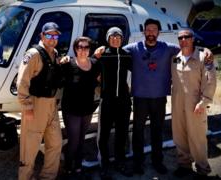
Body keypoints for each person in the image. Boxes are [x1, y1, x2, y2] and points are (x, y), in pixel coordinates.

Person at [95, 18, 213, 175]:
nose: (151, 33)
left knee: (157, 131)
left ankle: (157, 162)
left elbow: (186, 46)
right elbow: (116, 48)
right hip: (140, 98)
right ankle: (138, 163)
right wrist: (101, 49)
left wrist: (205, 49)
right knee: (138, 132)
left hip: (159, 98)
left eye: (154, 30)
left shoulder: (168, 48)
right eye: (148, 30)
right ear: (144, 32)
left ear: (159, 32)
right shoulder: (133, 48)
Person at [16, 22, 62, 180]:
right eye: (49, 35)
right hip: (36, 105)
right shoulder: (33, 54)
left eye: (55, 36)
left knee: (55, 143)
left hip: (51, 104)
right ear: (42, 36)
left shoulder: (54, 53)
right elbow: (22, 82)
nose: (52, 39)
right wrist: (27, 107)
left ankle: (48, 176)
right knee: (30, 147)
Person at [171, 28, 216, 179]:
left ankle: (202, 170)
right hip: (178, 105)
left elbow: (210, 82)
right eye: (180, 38)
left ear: (192, 38)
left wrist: (203, 103)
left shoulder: (204, 57)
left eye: (187, 37)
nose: (183, 40)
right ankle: (184, 165)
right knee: (180, 136)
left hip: (196, 105)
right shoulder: (175, 58)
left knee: (197, 138)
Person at [60, 36, 100, 178]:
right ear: (75, 49)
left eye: (86, 47)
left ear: (90, 49)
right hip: (71, 110)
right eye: (80, 47)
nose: (83, 50)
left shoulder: (95, 64)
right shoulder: (68, 64)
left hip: (87, 108)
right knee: (74, 141)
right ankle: (67, 168)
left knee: (81, 139)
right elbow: (54, 70)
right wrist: (61, 59)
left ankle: (78, 166)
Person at [96, 27, 133, 179]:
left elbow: (141, 68)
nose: (116, 39)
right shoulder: (102, 55)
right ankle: (104, 164)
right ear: (108, 38)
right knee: (103, 134)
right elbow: (91, 69)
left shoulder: (126, 56)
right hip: (107, 101)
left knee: (122, 133)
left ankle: (120, 162)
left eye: (118, 37)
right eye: (112, 37)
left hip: (123, 101)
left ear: (122, 39)